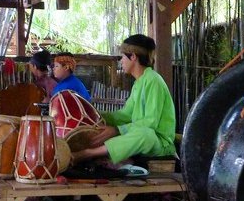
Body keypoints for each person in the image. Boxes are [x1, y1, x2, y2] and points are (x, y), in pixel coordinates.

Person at [72, 34, 176, 165]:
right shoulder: (139, 83)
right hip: (138, 137)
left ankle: (88, 153)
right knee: (106, 131)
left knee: (145, 134)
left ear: (133, 57)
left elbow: (150, 123)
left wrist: (117, 130)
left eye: (122, 56)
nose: (121, 61)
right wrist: (95, 115)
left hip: (159, 144)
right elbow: (125, 115)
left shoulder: (153, 80)